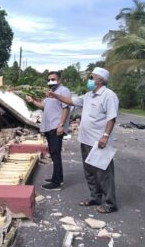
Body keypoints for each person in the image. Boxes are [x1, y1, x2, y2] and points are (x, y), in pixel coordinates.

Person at [47, 67, 119, 213]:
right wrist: (55, 95)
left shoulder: (109, 96)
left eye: (91, 77)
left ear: (100, 80)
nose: (89, 80)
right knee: (90, 172)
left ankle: (110, 203)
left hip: (99, 141)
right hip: (85, 140)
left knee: (103, 173)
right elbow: (70, 101)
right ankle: (95, 197)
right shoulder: (88, 95)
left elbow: (111, 118)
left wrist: (105, 137)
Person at [26, 71, 71, 190]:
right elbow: (43, 106)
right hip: (49, 126)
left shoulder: (63, 91)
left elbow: (66, 109)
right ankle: (58, 177)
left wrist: (61, 125)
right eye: (49, 79)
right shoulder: (50, 93)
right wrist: (32, 101)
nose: (51, 81)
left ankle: (56, 183)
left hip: (56, 127)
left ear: (59, 80)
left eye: (53, 79)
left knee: (55, 154)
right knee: (53, 153)